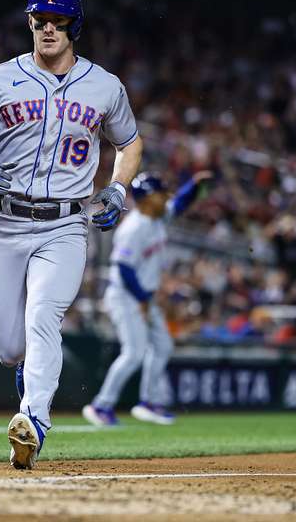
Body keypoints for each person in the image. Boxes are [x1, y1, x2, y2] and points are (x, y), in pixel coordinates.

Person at [0, 0, 143, 469]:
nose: (49, 28)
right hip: (5, 222)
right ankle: (26, 380)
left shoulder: (104, 86)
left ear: (75, 26)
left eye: (59, 21)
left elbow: (130, 143)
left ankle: (32, 422)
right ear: (30, 22)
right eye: (41, 20)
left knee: (43, 317)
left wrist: (118, 188)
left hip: (65, 225)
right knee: (10, 345)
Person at [82, 171, 211, 427]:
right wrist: (142, 300)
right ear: (148, 198)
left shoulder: (159, 216)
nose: (165, 196)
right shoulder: (133, 228)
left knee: (162, 345)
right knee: (134, 353)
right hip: (126, 295)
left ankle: (148, 402)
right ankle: (101, 405)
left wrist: (193, 185)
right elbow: (123, 268)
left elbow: (180, 202)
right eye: (160, 193)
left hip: (144, 297)